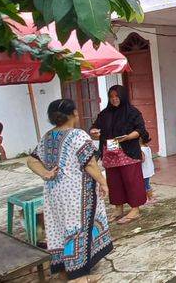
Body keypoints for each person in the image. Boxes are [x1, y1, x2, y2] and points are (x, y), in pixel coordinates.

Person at [27, 99, 112, 283]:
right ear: (74, 113)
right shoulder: (78, 135)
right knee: (77, 229)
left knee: (59, 228)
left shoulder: (48, 136)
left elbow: (31, 160)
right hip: (76, 193)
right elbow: (89, 163)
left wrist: (46, 174)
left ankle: (63, 272)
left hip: (54, 193)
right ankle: (79, 276)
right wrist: (103, 182)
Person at [90, 85, 148, 224]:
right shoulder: (104, 114)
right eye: (112, 97)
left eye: (117, 96)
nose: (114, 99)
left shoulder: (132, 112)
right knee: (114, 181)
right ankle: (118, 209)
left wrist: (127, 137)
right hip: (110, 152)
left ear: (123, 96)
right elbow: (94, 127)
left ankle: (135, 209)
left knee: (131, 180)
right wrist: (94, 132)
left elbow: (140, 130)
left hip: (127, 151)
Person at [140, 140, 157, 204]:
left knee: (146, 185)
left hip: (144, 170)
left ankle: (150, 198)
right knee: (146, 184)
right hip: (148, 168)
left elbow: (142, 159)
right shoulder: (147, 147)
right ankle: (150, 197)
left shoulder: (140, 149)